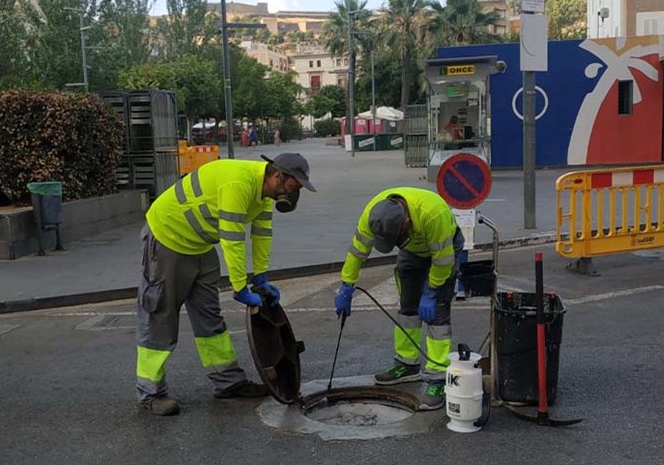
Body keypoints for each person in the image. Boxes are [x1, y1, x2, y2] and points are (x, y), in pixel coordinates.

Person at [136, 153, 317, 416]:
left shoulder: (265, 193)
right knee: (160, 317)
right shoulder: (239, 184)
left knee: (209, 316)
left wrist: (261, 277)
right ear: (278, 176)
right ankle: (150, 392)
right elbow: (232, 239)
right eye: (294, 186)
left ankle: (228, 382)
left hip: (199, 244)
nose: (294, 193)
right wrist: (240, 286)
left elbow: (262, 233)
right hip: (168, 238)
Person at [333, 188, 463, 411]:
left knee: (437, 316)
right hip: (411, 251)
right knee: (407, 309)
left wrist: (432, 292)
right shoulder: (373, 214)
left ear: (406, 222)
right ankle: (406, 364)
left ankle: (438, 377)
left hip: (444, 248)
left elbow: (442, 261)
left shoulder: (433, 214)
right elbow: (357, 252)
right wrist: (346, 286)